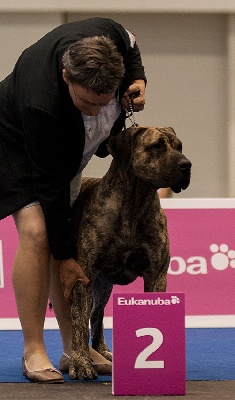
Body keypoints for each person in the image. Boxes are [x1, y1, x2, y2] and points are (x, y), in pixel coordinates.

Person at [0, 17, 146, 383]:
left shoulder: (109, 36)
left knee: (65, 239)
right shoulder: (42, 104)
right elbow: (51, 192)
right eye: (87, 102)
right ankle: (34, 350)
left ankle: (74, 347)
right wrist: (65, 259)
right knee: (38, 232)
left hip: (65, 146)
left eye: (104, 101)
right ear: (67, 77)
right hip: (12, 140)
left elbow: (131, 47)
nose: (96, 111)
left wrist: (139, 79)